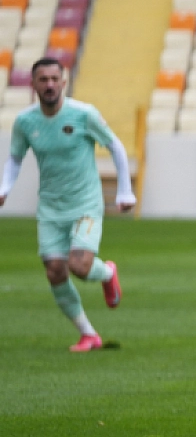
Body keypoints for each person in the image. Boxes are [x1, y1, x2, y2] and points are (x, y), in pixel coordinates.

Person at [0, 59, 134, 351]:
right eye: (42, 79)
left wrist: (125, 191)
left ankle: (108, 273)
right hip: (50, 206)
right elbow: (15, 158)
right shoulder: (25, 122)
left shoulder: (84, 114)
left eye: (53, 79)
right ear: (33, 85)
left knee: (79, 266)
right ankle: (89, 334)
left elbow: (115, 145)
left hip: (85, 203)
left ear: (63, 82)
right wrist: (4, 187)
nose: (49, 85)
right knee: (55, 271)